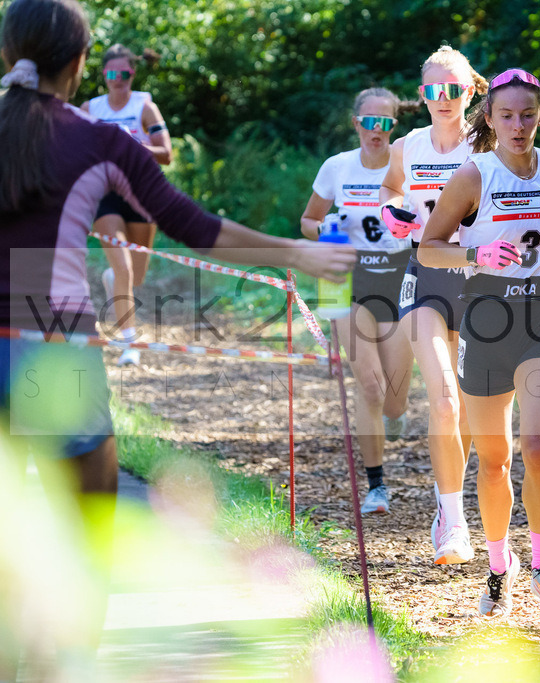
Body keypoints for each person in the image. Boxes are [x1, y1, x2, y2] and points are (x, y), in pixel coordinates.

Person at [0, 0, 355, 672]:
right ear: (80, 63)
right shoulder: (98, 142)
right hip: (56, 356)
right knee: (85, 546)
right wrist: (299, 253)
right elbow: (196, 226)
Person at [418, 68, 540, 617]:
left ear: (539, 115)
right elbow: (429, 248)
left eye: (527, 115)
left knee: (537, 447)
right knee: (493, 461)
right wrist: (475, 256)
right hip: (484, 323)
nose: (517, 126)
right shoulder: (474, 177)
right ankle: (500, 568)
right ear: (489, 118)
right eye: (506, 116)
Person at [379, 45, 488, 564]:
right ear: (420, 95)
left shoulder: (488, 145)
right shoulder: (407, 146)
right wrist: (394, 213)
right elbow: (391, 190)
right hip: (424, 279)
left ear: (470, 91)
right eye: (431, 90)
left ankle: (455, 500)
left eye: (453, 89)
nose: (442, 99)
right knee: (443, 401)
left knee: (466, 407)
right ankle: (452, 519)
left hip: (479, 282)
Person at [299, 87, 416, 515]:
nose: (376, 130)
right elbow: (308, 220)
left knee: (395, 398)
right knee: (369, 385)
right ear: (356, 124)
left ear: (393, 126)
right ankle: (376, 486)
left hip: (401, 279)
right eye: (369, 121)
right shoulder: (337, 167)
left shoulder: (407, 165)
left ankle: (397, 415)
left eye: (384, 122)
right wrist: (325, 226)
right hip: (351, 281)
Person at [80, 44, 171, 366]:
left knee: (136, 276)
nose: (119, 80)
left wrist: (134, 146)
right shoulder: (90, 109)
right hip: (104, 196)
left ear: (133, 73)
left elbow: (167, 154)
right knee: (123, 267)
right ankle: (130, 344)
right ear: (104, 75)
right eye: (112, 74)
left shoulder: (144, 106)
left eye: (125, 73)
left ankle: (113, 281)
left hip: (141, 194)